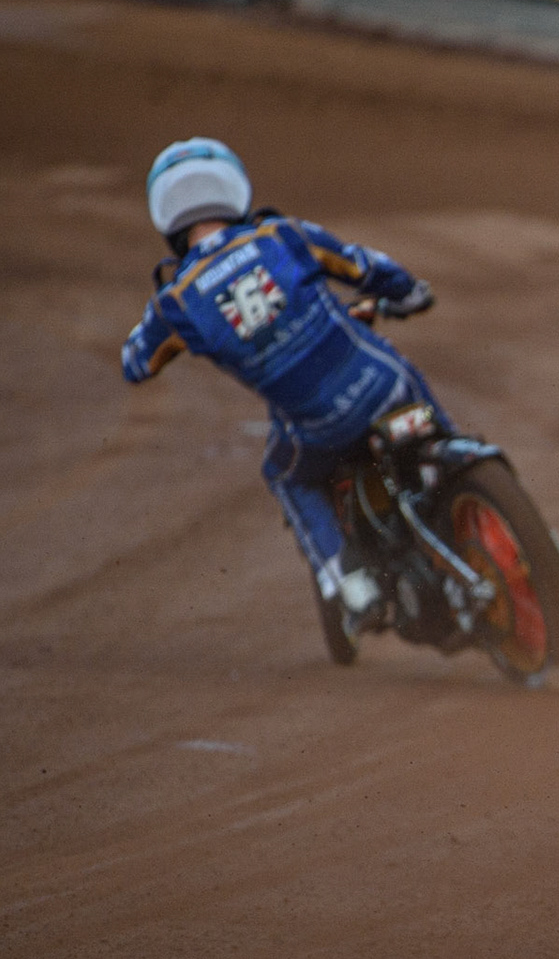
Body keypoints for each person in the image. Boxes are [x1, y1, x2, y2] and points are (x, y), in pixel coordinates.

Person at [121, 138, 442, 635]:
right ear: (235, 190)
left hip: (319, 429)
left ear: (167, 219)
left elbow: (136, 363)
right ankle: (462, 482)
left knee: (286, 475)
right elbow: (369, 269)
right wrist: (411, 293)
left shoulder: (176, 302)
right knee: (411, 387)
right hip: (385, 388)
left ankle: (353, 587)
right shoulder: (284, 235)